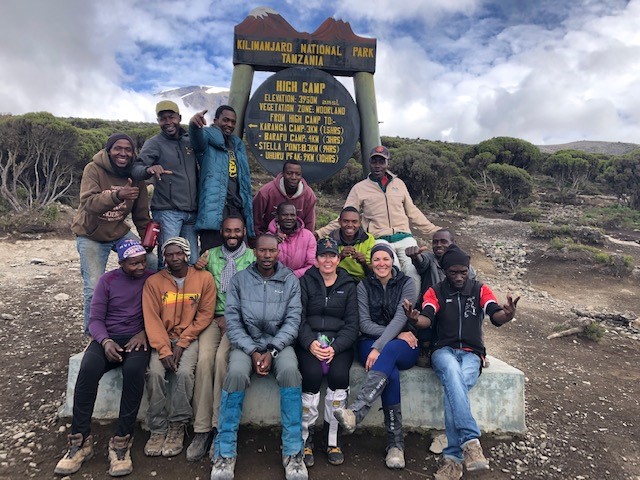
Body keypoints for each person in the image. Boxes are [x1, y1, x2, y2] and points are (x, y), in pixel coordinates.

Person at [403, 244, 519, 480]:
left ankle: (453, 460)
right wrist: (416, 320)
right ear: (445, 271)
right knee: (453, 375)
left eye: (463, 272)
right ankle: (471, 442)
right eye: (453, 272)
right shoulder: (435, 291)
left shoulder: (480, 289)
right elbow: (427, 317)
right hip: (443, 351)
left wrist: (507, 315)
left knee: (454, 385)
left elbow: (494, 313)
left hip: (472, 354)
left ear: (468, 270)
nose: (458, 277)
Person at [210, 234, 307, 480]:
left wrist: (272, 350)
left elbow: (293, 320)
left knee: (290, 373)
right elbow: (232, 320)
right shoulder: (240, 279)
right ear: (255, 252)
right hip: (247, 344)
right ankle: (225, 452)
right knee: (235, 374)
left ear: (278, 252)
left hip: (279, 344)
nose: (266, 256)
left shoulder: (289, 280)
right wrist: (253, 351)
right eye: (262, 251)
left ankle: (294, 451)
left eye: (271, 251)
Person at [55, 239, 152, 477]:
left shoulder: (152, 279)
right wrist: (106, 341)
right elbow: (95, 319)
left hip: (138, 338)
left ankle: (121, 440)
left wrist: (144, 333)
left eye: (142, 262)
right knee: (88, 370)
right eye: (133, 264)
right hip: (107, 338)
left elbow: (160, 313)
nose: (140, 267)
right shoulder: (107, 282)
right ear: (120, 263)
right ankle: (80, 440)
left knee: (133, 372)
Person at [333, 243, 418, 470]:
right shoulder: (363, 286)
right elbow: (364, 323)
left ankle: (357, 411)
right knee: (390, 372)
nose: (381, 264)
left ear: (392, 261)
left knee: (389, 353)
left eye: (385, 259)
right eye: (376, 260)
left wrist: (380, 346)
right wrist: (388, 339)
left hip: (403, 345)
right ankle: (395, 445)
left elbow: (402, 318)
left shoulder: (407, 283)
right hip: (372, 342)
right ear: (371, 263)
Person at [316, 145, 440, 295]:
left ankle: (409, 309)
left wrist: (435, 231)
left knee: (411, 271)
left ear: (387, 163)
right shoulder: (360, 188)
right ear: (369, 163)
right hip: (379, 238)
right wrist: (320, 233)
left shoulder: (399, 184)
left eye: (381, 162)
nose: (377, 165)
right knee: (390, 270)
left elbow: (412, 211)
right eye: (374, 161)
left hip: (404, 236)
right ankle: (389, 308)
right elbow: (345, 216)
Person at [186, 216, 256, 461]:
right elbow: (198, 285)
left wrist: (232, 318)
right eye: (228, 230)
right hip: (212, 318)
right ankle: (201, 429)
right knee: (204, 360)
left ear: (244, 231)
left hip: (239, 321)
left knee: (220, 361)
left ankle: (220, 427)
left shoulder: (254, 258)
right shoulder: (210, 255)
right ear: (222, 232)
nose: (232, 234)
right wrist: (196, 267)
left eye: (237, 230)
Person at [71, 132, 156, 332]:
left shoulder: (136, 177)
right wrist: (118, 195)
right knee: (93, 287)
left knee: (152, 263)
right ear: (109, 150)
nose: (123, 153)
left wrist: (148, 242)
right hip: (91, 234)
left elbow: (142, 215)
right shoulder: (93, 169)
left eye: (128, 149)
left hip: (118, 232)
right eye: (118, 148)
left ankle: (144, 324)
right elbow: (90, 204)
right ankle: (93, 336)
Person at [142, 237, 215, 458]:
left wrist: (183, 343)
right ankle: (157, 428)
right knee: (154, 372)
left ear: (187, 254)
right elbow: (151, 319)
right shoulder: (154, 282)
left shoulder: (204, 278)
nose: (174, 258)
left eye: (179, 254)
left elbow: (205, 315)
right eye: (169, 254)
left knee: (184, 373)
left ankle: (177, 425)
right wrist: (164, 349)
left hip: (189, 338)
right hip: (162, 338)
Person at [296, 238, 359, 467]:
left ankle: (332, 437)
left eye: (332, 255)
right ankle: (306, 437)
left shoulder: (349, 285)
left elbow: (353, 324)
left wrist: (336, 347)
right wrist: (310, 343)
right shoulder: (306, 282)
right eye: (323, 255)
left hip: (338, 344)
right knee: (311, 376)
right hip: (310, 342)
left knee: (339, 377)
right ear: (316, 259)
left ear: (339, 259)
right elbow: (298, 318)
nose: (328, 260)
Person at [131, 100, 199, 268]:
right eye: (162, 118)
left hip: (191, 212)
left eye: (171, 117)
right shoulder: (154, 143)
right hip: (168, 212)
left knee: (191, 261)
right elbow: (135, 169)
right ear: (158, 121)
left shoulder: (190, 141)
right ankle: (164, 294)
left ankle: (187, 294)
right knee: (168, 259)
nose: (168, 122)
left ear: (179, 117)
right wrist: (149, 169)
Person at [405, 229, 476, 367]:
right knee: (424, 314)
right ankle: (425, 349)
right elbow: (421, 263)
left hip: (455, 309)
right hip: (431, 308)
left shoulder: (465, 266)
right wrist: (415, 257)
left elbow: (472, 290)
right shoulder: (430, 259)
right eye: (435, 242)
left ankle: (473, 350)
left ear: (453, 243)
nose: (438, 245)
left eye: (443, 241)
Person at [189, 105, 255, 251]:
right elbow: (196, 140)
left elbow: (243, 181)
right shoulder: (207, 138)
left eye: (233, 122)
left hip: (236, 208)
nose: (229, 125)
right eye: (225, 120)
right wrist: (194, 126)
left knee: (240, 255)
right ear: (216, 120)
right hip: (215, 209)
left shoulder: (237, 145)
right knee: (212, 255)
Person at [253, 159, 317, 236]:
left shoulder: (309, 195)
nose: (293, 177)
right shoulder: (266, 192)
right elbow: (255, 220)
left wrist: (305, 241)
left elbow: (309, 225)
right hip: (269, 238)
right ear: (283, 173)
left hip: (297, 239)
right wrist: (262, 240)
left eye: (298, 174)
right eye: (289, 173)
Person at [268, 202, 316, 278]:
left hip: (301, 279)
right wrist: (272, 244)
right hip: (273, 280)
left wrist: (292, 276)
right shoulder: (268, 238)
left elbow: (311, 264)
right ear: (277, 217)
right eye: (285, 215)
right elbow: (264, 263)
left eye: (292, 215)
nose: (289, 218)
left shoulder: (308, 236)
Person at [327, 206, 374, 281]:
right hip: (337, 279)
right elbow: (325, 268)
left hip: (362, 280)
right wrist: (340, 257)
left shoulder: (368, 239)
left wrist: (363, 263)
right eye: (345, 221)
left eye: (354, 221)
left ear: (359, 222)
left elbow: (373, 272)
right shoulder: (330, 240)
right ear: (339, 221)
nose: (350, 225)